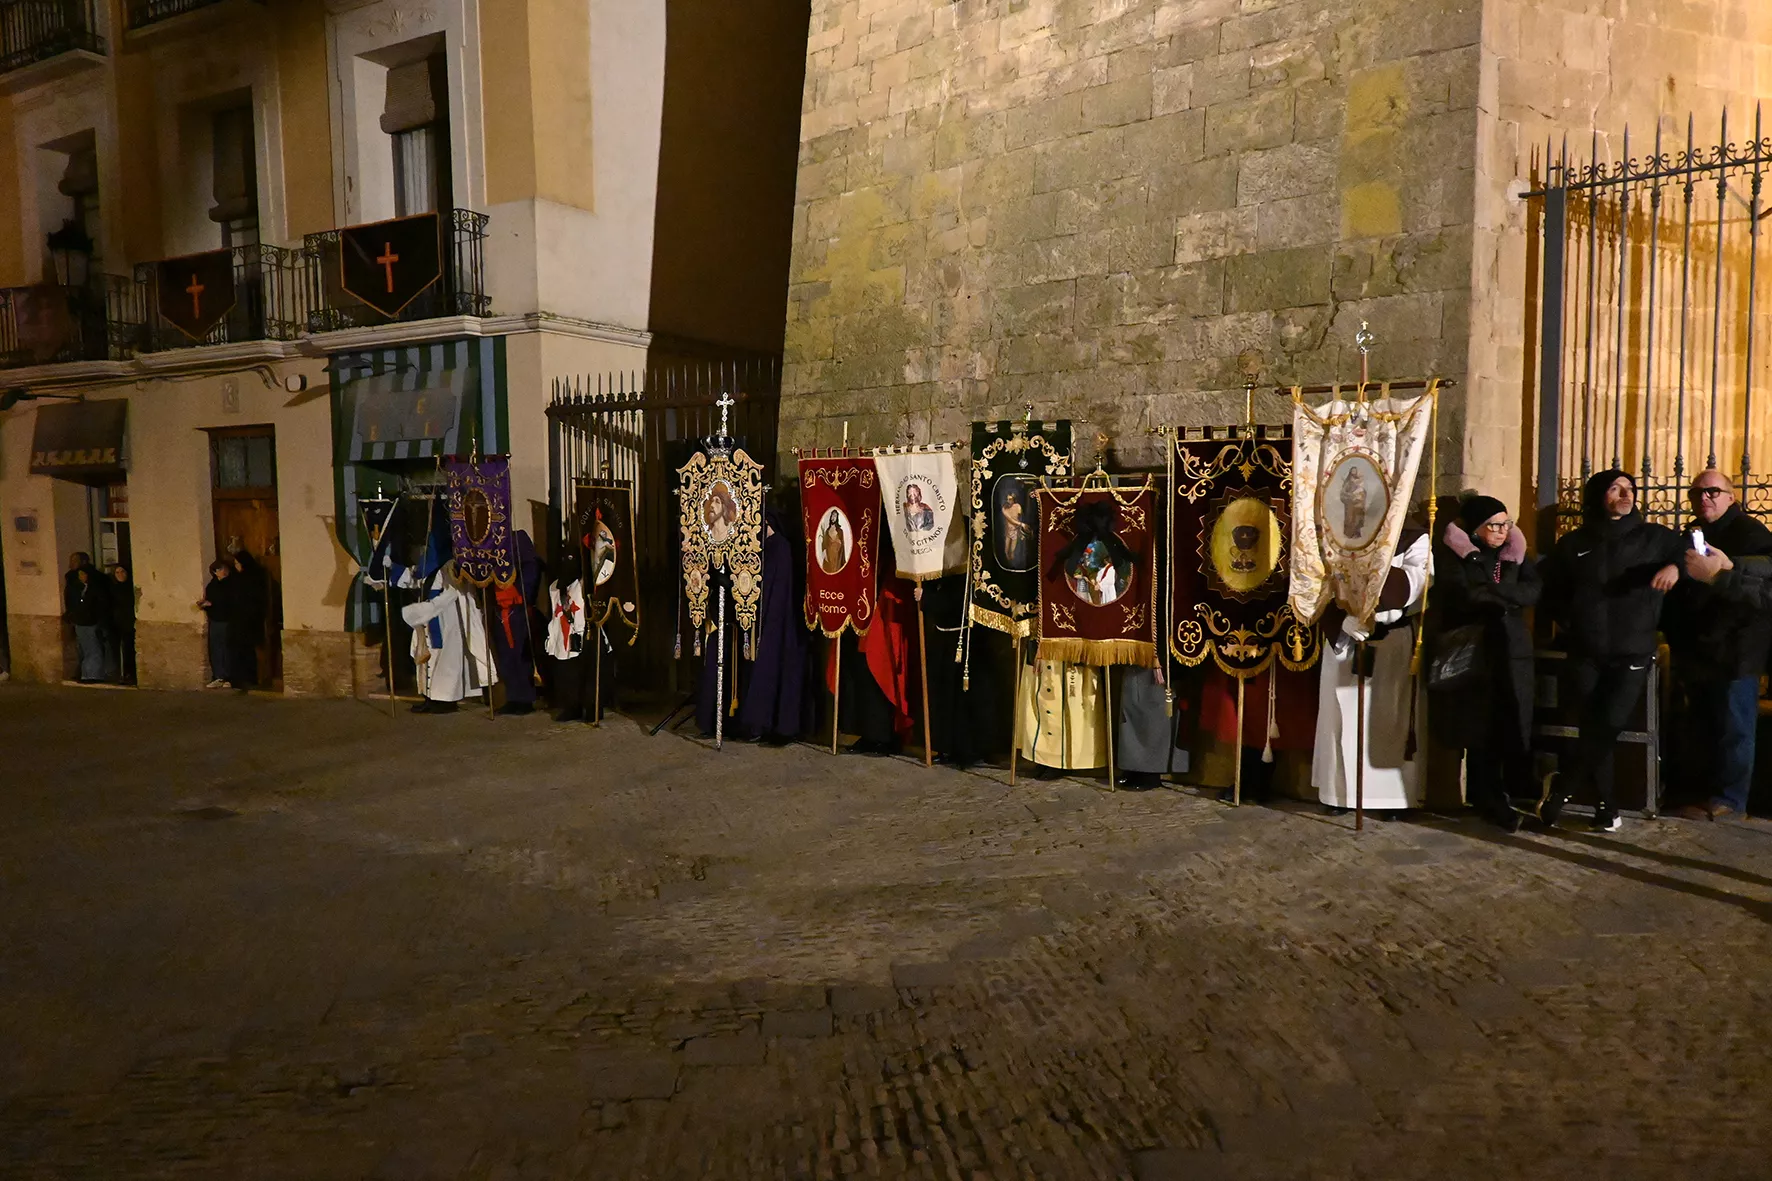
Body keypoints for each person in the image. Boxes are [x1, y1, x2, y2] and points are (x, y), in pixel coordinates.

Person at [1538, 469, 1683, 832]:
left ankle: (1563, 789)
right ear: (1598, 495)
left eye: (1630, 488)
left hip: (1633, 651)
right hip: (1586, 651)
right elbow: (1549, 589)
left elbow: (1696, 555)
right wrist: (1572, 622)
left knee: (1609, 724)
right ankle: (1607, 807)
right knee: (1593, 727)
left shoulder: (1655, 537)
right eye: (1615, 489)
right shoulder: (1573, 544)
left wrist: (1675, 567)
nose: (1625, 494)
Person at [1663, 472, 1772, 820]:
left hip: (1735, 650)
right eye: (1696, 492)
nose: (1704, 498)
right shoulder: (1693, 533)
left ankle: (1731, 801)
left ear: (1730, 496)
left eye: (1713, 491)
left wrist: (1719, 575)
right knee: (1703, 725)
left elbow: (1759, 590)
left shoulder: (1751, 534)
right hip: (1700, 649)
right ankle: (1704, 795)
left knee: (1734, 729)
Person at [1432, 495, 1541, 831]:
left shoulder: (1516, 554)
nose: (1501, 531)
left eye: (1505, 524)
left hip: (1512, 650)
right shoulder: (1456, 556)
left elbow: (1533, 590)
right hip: (1476, 653)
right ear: (1476, 528)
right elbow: (1465, 595)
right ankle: (1486, 796)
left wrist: (1497, 593)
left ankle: (1512, 788)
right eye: (1493, 525)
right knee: (1481, 727)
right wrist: (1504, 595)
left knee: (1512, 723)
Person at [1312, 527, 1431, 814]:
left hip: (1390, 637)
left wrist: (1373, 564)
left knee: (1388, 718)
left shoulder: (1413, 538)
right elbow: (1315, 581)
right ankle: (1340, 796)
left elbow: (1418, 584)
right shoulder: (1336, 531)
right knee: (1341, 717)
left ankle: (1390, 799)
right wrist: (1341, 619)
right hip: (1347, 636)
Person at [227, 551, 267, 691]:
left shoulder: (253, 578)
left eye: (237, 563)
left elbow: (255, 600)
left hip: (249, 621)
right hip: (238, 620)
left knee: (247, 650)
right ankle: (239, 679)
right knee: (238, 650)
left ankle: (249, 678)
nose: (236, 566)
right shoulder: (237, 578)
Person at [65, 560, 108, 683]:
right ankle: (86, 674)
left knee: (93, 649)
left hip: (91, 622)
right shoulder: (80, 588)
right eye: (80, 575)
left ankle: (92, 675)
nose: (81, 577)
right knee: (84, 649)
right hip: (81, 622)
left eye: (83, 574)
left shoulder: (95, 589)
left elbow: (99, 606)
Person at [198, 559, 233, 687]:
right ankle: (219, 676)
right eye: (221, 569)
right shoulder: (212, 586)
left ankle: (229, 677)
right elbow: (212, 600)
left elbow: (228, 602)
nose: (224, 571)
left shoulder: (230, 584)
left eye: (224, 568)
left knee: (227, 648)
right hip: (215, 620)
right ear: (215, 572)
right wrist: (206, 604)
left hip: (227, 620)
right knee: (216, 649)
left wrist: (213, 604)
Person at [108, 564, 136, 685]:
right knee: (120, 649)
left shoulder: (130, 587)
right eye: (117, 573)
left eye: (122, 572)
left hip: (129, 622)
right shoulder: (112, 588)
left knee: (129, 648)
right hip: (117, 623)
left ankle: (130, 674)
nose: (120, 575)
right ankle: (122, 674)